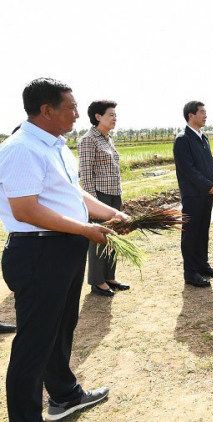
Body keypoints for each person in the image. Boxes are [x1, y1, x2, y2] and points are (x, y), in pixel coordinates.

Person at [0, 78, 128, 421]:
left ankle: (64, 396)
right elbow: (25, 210)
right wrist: (85, 228)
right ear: (46, 110)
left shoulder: (56, 145)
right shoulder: (21, 148)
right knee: (33, 345)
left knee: (60, 330)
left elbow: (72, 194)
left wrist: (109, 212)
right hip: (39, 253)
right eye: (70, 107)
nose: (76, 114)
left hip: (63, 249)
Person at [78, 100, 130, 297]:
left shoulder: (108, 139)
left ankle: (110, 276)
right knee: (99, 237)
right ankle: (97, 281)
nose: (115, 118)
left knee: (113, 237)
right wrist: (92, 204)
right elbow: (85, 174)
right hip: (99, 196)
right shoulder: (88, 140)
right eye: (111, 115)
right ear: (98, 117)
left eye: (116, 115)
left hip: (114, 195)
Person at [174, 101, 213, 288]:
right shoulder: (182, 139)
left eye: (205, 112)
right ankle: (191, 272)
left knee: (203, 231)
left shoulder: (203, 138)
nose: (205, 115)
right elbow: (188, 169)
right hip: (193, 195)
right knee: (191, 233)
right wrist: (206, 185)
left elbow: (211, 164)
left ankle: (203, 265)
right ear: (191, 115)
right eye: (202, 112)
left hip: (207, 194)